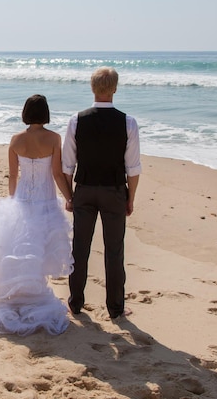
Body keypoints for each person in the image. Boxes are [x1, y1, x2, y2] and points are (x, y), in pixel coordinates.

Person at [0, 94, 74, 336]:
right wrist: (69, 196)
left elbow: (13, 176)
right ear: (45, 113)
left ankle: (18, 292)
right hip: (46, 200)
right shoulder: (54, 138)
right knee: (40, 248)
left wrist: (13, 201)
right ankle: (33, 293)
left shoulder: (16, 140)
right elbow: (57, 174)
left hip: (23, 199)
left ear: (25, 113)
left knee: (19, 248)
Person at [62, 67, 142, 320]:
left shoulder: (77, 120)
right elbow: (133, 168)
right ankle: (116, 308)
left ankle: (75, 304)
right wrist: (131, 198)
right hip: (114, 191)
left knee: (80, 248)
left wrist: (69, 196)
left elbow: (67, 165)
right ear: (115, 89)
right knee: (114, 250)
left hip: (85, 189)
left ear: (92, 88)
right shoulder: (127, 122)